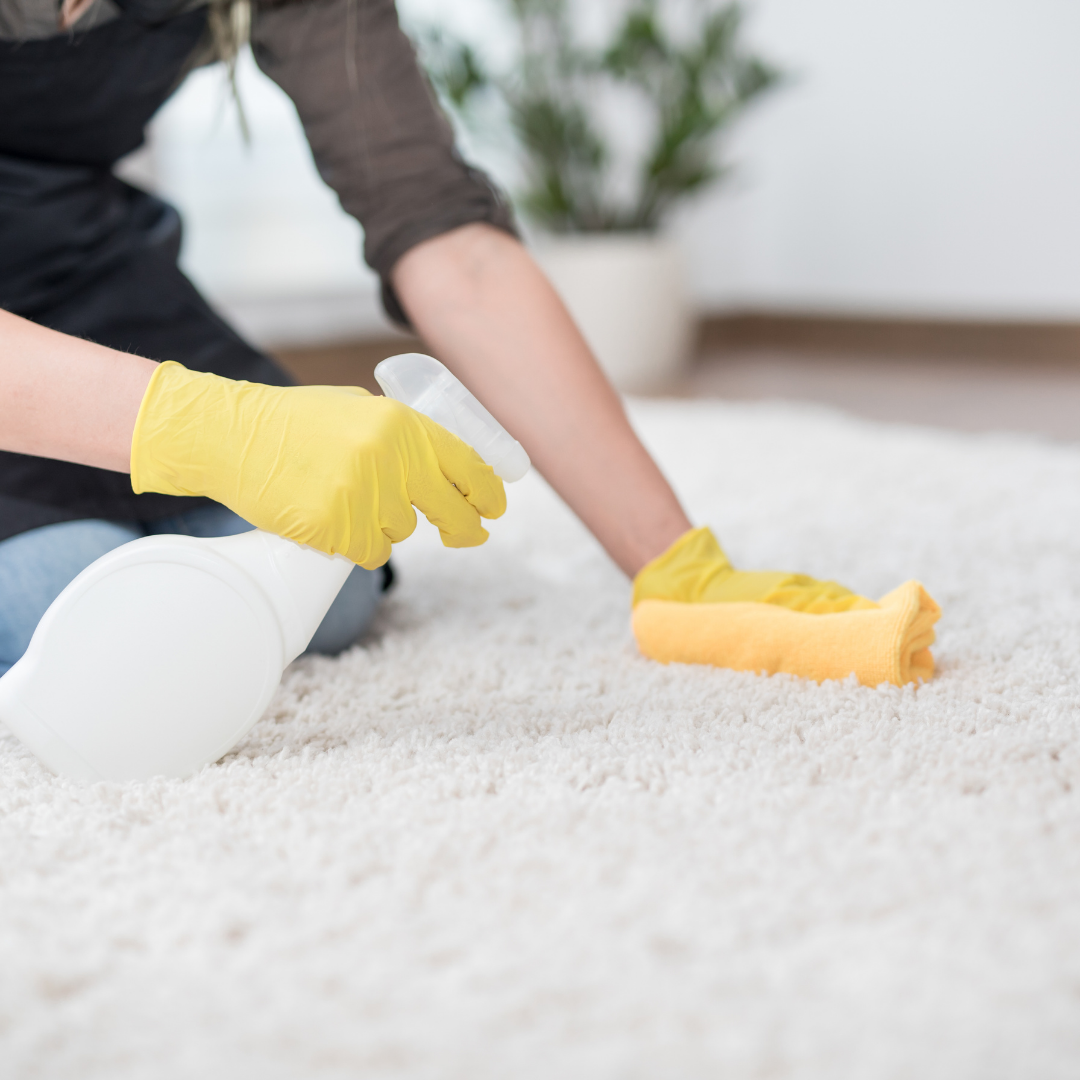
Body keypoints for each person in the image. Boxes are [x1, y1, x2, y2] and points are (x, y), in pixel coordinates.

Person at [0, 0, 933, 686]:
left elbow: (444, 234)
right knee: (65, 595)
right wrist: (213, 428)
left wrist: (677, 566)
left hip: (81, 269)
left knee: (335, 582)